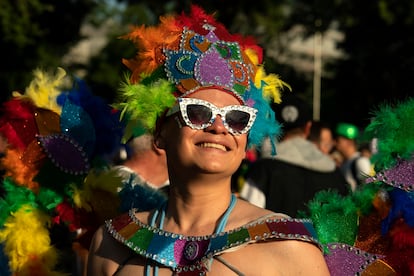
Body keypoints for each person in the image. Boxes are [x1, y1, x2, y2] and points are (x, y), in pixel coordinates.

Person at [87, 6, 330, 275]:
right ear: (160, 132)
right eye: (197, 112)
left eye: (236, 118)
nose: (218, 127)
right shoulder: (112, 245)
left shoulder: (287, 247)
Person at [240, 93, 349, 217]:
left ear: (273, 127)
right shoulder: (335, 172)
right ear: (308, 128)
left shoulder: (263, 171)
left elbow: (247, 220)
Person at [334, 122, 372, 192]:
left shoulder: (361, 161)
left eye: (338, 140)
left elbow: (369, 191)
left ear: (349, 141)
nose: (335, 143)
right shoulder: (345, 163)